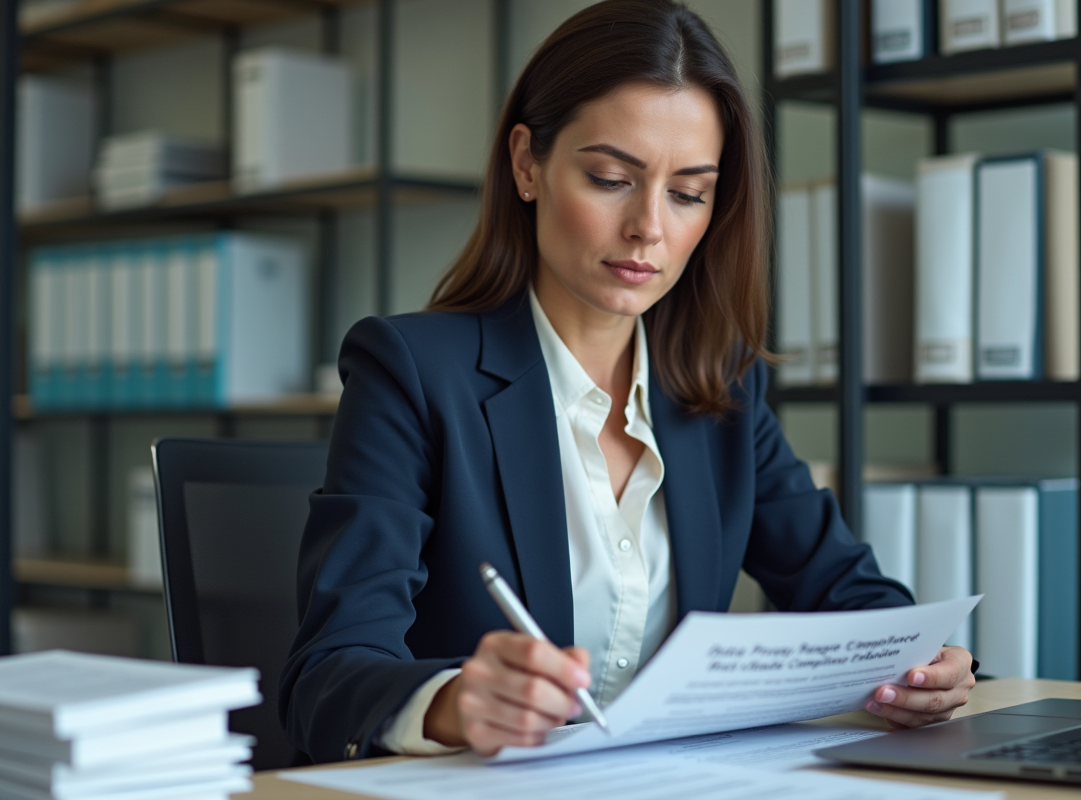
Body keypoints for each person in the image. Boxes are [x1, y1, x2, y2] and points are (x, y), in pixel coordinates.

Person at [279, 0, 976, 764]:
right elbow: (329, 675)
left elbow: (851, 596)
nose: (649, 226)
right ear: (526, 163)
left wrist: (926, 668)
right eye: (612, 178)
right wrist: (453, 702)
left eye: (687, 193)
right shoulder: (412, 373)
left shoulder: (721, 392)